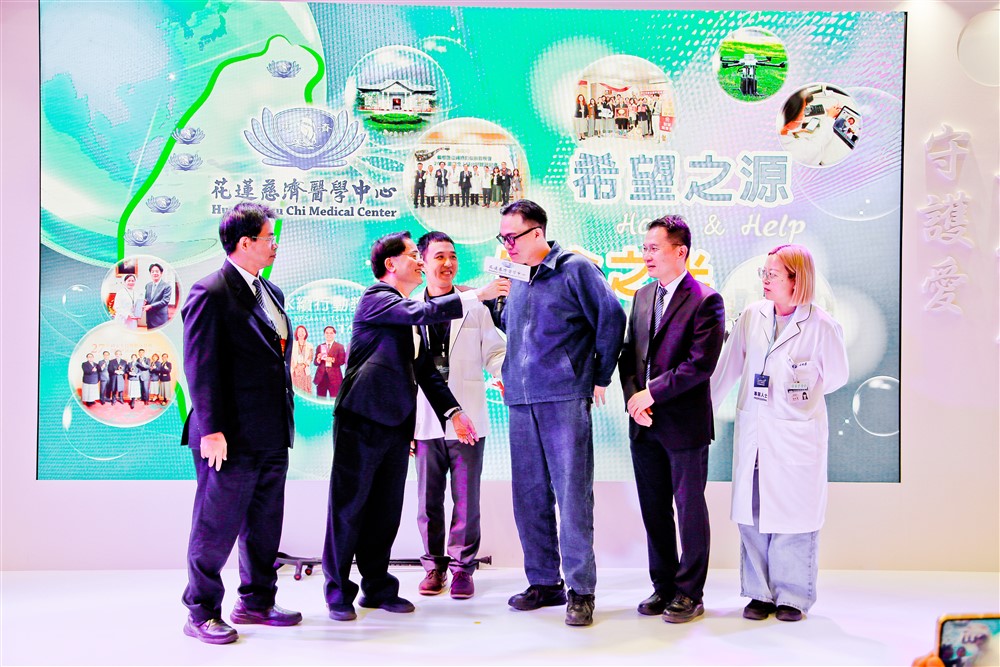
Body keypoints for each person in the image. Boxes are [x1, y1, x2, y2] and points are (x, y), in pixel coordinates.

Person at [322, 231, 509, 622]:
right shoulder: (377, 298)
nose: (421, 262)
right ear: (391, 264)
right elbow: (420, 313)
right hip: (362, 421)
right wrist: (477, 295)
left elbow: (426, 372)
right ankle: (338, 591)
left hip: (396, 425)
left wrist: (454, 412)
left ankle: (377, 587)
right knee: (348, 508)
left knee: (385, 511)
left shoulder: (408, 313)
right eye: (413, 255)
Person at [496, 200, 626, 627]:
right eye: (502, 238)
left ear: (537, 233)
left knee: (572, 495)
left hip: (564, 396)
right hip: (521, 399)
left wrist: (599, 375)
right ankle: (543, 581)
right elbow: (514, 327)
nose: (507, 245)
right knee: (529, 495)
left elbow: (612, 318)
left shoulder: (575, 268)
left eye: (512, 237)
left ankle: (581, 590)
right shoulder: (516, 276)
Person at [180, 202, 299, 645]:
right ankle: (200, 611)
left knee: (265, 524)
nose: (275, 245)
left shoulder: (272, 292)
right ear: (245, 243)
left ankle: (256, 602)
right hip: (227, 436)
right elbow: (200, 366)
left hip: (271, 431)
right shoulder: (210, 292)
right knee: (215, 527)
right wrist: (211, 430)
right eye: (269, 238)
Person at [710, 244, 849, 622]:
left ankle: (792, 596)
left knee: (794, 515)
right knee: (752, 510)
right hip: (755, 429)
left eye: (773, 274)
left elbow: (836, 377)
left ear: (796, 279)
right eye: (764, 273)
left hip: (795, 434)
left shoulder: (822, 325)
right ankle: (759, 593)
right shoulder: (752, 316)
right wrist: (704, 410)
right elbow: (727, 369)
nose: (765, 280)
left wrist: (798, 391)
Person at [618, 215, 726, 623]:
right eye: (644, 248)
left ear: (680, 252)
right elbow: (629, 355)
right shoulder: (643, 295)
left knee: (689, 509)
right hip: (643, 421)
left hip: (684, 424)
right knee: (654, 509)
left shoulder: (706, 300)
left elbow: (700, 365)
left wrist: (652, 393)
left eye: (654, 248)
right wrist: (635, 399)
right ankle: (663, 587)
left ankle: (690, 593)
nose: (646, 255)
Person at [412, 231, 506, 600]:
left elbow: (494, 352)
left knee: (467, 499)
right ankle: (434, 567)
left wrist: (504, 374)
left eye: (452, 256)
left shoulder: (475, 308)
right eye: (439, 256)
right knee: (427, 501)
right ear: (422, 263)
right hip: (423, 420)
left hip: (468, 418)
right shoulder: (407, 309)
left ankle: (463, 568)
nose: (448, 263)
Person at [313, 326, 346, 398]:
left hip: (334, 378)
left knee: (335, 400)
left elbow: (342, 361)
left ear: (334, 334)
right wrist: (318, 359)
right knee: (320, 400)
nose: (329, 335)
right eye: (327, 333)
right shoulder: (320, 346)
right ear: (324, 334)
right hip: (321, 377)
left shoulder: (340, 346)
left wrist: (332, 360)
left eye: (331, 333)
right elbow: (315, 363)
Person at [144, 262, 173, 329]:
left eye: (157, 271)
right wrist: (144, 302)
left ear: (161, 273)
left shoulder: (167, 286)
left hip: (160, 319)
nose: (155, 273)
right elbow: (147, 299)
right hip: (149, 318)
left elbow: (165, 301)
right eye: (152, 271)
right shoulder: (148, 285)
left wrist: (151, 306)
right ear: (150, 273)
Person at [290, 325, 314, 395]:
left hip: (305, 370)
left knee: (306, 391)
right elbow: (290, 357)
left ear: (305, 333)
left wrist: (303, 366)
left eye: (302, 331)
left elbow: (310, 357)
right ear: (296, 333)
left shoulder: (310, 345)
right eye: (299, 331)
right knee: (295, 390)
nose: (301, 333)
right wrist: (295, 368)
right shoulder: (292, 344)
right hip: (295, 371)